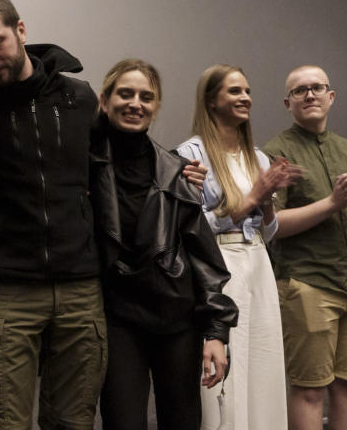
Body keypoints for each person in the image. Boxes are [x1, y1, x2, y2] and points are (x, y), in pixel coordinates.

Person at [0, 0, 105, 429]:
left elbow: (113, 169)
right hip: (6, 289)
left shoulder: (80, 99)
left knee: (73, 421)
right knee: (3, 420)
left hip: (80, 286)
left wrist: (180, 170)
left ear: (21, 31)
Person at [92, 59, 238, 430]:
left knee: (183, 421)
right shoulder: (84, 164)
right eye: (125, 94)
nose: (135, 103)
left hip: (177, 317)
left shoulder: (178, 171)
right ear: (104, 99)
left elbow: (204, 258)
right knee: (123, 422)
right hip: (117, 317)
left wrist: (216, 332)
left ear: (155, 108)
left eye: (146, 97)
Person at [263, 65, 347, 430]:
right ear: (288, 102)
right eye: (300, 90)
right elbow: (272, 226)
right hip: (307, 285)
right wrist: (333, 203)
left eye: (317, 88)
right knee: (308, 391)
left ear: (330, 97)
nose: (310, 95)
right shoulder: (276, 152)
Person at [177, 64, 303, 430]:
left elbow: (270, 228)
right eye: (234, 91)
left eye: (246, 91)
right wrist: (254, 197)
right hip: (219, 265)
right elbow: (194, 226)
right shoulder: (190, 154)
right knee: (229, 365)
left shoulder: (258, 156)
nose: (245, 97)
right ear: (211, 100)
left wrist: (266, 201)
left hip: (257, 264)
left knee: (263, 362)